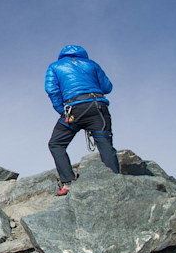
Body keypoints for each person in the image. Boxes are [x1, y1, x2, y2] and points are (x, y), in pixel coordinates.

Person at [45, 45, 120, 195]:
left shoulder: (55, 66)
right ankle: (115, 181)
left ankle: (68, 182)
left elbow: (52, 89)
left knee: (56, 144)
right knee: (104, 143)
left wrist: (62, 111)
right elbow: (107, 87)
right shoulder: (91, 64)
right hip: (98, 107)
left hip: (74, 110)